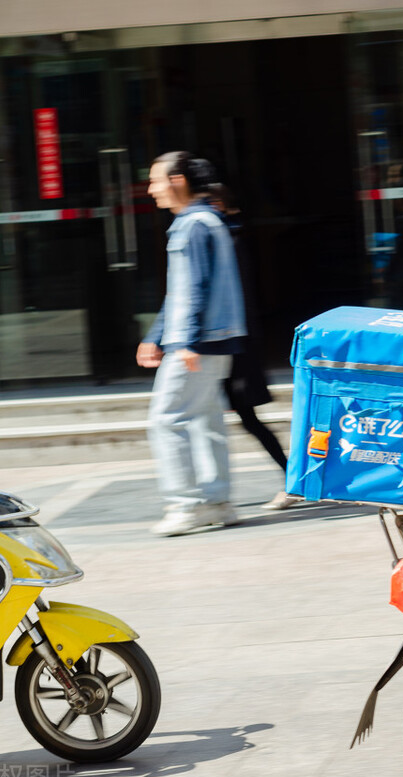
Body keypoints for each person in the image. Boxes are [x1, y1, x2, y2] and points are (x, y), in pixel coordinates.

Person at [138, 153, 247, 536]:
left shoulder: (193, 225)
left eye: (155, 181)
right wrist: (157, 336)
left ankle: (185, 506)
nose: (151, 189)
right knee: (206, 420)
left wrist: (183, 342)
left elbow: (194, 289)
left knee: (166, 420)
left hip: (198, 342)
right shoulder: (207, 220)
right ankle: (219, 502)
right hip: (216, 339)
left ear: (178, 180)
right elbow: (183, 290)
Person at [208, 185, 297, 511]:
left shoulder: (227, 241)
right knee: (246, 418)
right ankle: (291, 478)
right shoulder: (228, 238)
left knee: (248, 417)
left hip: (235, 346)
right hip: (236, 344)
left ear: (217, 204)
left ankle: (292, 479)